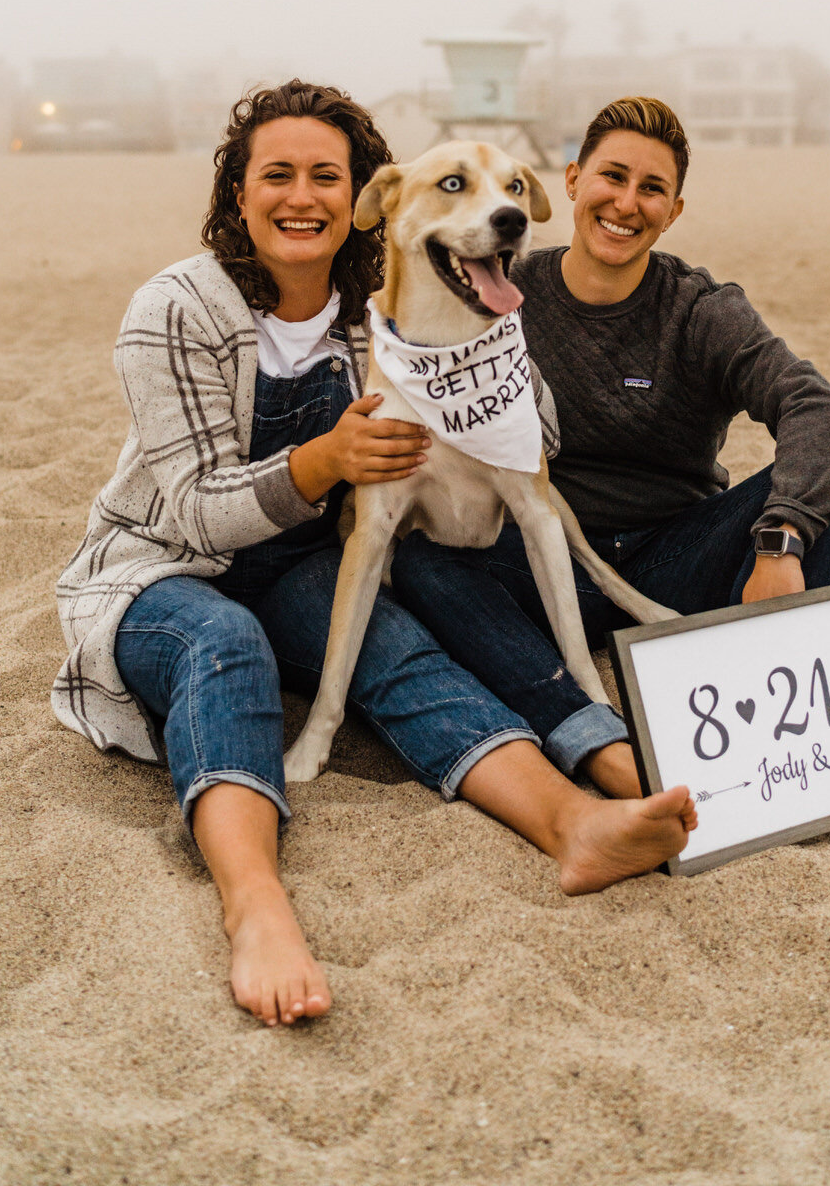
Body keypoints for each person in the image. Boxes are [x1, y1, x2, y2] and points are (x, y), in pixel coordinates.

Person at [53, 80, 697, 1030]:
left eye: (326, 175)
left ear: (362, 196)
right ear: (240, 194)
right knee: (223, 644)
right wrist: (323, 459)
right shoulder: (178, 306)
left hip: (302, 565)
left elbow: (526, 426)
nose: (301, 197)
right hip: (162, 570)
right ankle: (255, 903)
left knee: (400, 650)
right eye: (277, 175)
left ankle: (570, 823)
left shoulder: (388, 305)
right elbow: (192, 514)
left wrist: (493, 380)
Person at [392, 95, 830, 679]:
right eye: (612, 177)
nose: (626, 202)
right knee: (424, 565)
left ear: (674, 210)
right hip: (543, 562)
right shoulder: (498, 291)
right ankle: (560, 701)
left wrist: (782, 540)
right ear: (571, 180)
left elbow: (816, 408)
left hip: (677, 558)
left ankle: (766, 688)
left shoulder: (700, 309)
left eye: (651, 188)